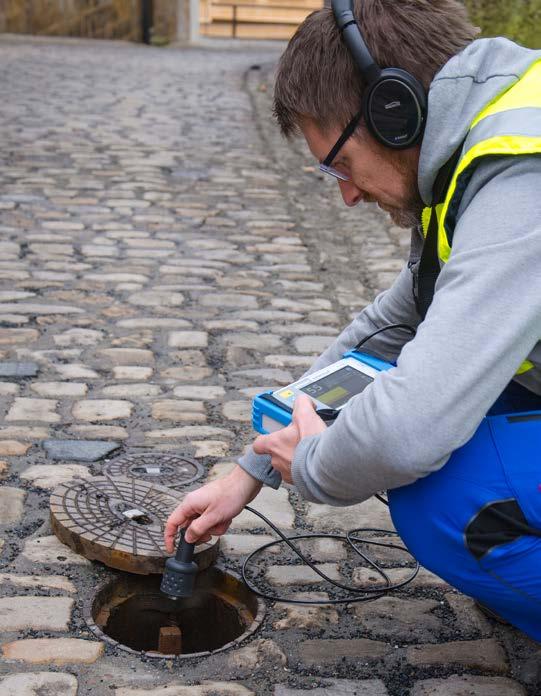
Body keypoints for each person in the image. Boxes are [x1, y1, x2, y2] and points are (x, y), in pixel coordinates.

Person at [165, 0, 541, 640]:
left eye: (339, 162)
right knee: (372, 420)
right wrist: (248, 471)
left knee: (438, 494)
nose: (346, 193)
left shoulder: (521, 181)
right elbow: (387, 330)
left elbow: (408, 433)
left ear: (395, 113)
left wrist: (312, 465)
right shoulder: (481, 144)